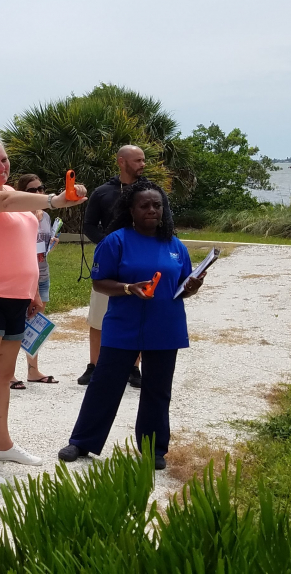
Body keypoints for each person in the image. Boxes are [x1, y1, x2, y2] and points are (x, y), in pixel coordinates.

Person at [0, 140, 87, 489]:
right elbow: (7, 202)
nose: (2, 167)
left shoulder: (11, 192)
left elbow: (25, 244)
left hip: (15, 297)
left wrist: (31, 292)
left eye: (5, 160)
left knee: (3, 376)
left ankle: (2, 444)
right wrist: (54, 200)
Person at [58, 181, 206, 470]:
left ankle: (154, 450)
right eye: (145, 205)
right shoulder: (115, 241)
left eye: (157, 205)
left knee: (157, 389)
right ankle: (83, 442)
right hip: (123, 327)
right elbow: (100, 283)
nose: (152, 210)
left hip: (165, 327)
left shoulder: (175, 246)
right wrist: (128, 288)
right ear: (131, 209)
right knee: (104, 385)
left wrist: (192, 287)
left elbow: (183, 286)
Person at [79, 145, 148, 388]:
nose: (143, 164)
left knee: (137, 314)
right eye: (138, 160)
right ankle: (94, 365)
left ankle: (134, 368)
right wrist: (109, 244)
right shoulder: (103, 192)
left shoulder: (150, 192)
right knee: (99, 315)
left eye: (143, 160)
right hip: (108, 262)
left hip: (140, 260)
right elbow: (89, 225)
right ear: (122, 162)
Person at [9, 173, 58, 389]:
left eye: (41, 188)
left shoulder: (45, 216)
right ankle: (8, 373)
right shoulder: (15, 214)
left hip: (43, 272)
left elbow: (41, 244)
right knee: (15, 325)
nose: (39, 193)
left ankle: (32, 370)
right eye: (32, 190)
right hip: (22, 276)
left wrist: (51, 244)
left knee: (36, 324)